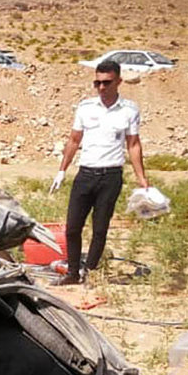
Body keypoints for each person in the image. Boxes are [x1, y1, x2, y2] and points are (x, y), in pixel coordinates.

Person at [50, 59, 149, 285]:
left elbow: (133, 144)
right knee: (73, 226)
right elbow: (74, 140)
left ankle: (89, 272)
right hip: (85, 174)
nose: (102, 87)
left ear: (119, 81)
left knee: (100, 227)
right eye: (97, 83)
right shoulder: (85, 107)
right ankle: (73, 272)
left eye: (107, 82)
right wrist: (61, 170)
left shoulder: (129, 110)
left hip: (111, 176)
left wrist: (142, 178)